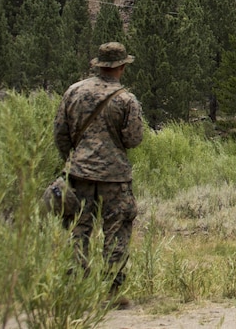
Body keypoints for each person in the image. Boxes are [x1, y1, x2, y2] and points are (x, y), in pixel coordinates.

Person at [53, 42, 144, 308]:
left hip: (78, 174)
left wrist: (74, 158)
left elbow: (60, 133)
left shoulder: (74, 92)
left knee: (77, 231)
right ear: (122, 67)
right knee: (116, 231)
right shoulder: (126, 99)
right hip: (115, 177)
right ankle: (113, 291)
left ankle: (76, 290)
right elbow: (134, 139)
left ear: (99, 64)